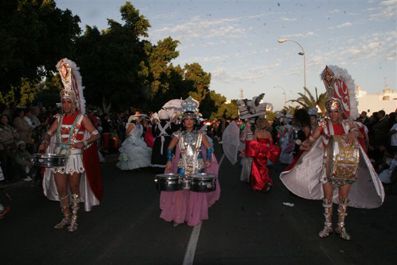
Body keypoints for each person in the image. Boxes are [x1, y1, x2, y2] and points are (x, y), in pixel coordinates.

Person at [280, 65, 384, 240]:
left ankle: (341, 227)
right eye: (331, 111)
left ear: (341, 110)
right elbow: (313, 138)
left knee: (343, 199)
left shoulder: (349, 123)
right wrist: (305, 143)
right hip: (328, 165)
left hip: (346, 166)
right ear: (327, 111)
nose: (334, 114)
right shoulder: (323, 125)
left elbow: (359, 131)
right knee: (327, 199)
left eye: (336, 110)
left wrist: (353, 133)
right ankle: (328, 226)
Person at [39, 58, 103, 232]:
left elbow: (96, 134)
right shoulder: (58, 118)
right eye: (64, 101)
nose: (66, 104)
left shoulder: (82, 118)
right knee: (61, 188)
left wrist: (83, 142)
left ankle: (74, 218)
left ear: (74, 103)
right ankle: (65, 216)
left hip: (74, 157)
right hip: (59, 155)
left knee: (74, 187)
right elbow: (49, 133)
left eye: (69, 101)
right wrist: (45, 141)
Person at [160, 96, 220, 227]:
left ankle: (193, 215)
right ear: (182, 121)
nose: (188, 122)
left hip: (198, 166)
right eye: (186, 119)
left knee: (195, 192)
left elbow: (209, 148)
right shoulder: (178, 134)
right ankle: (179, 216)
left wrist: (209, 160)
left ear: (195, 120)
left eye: (191, 119)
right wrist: (169, 161)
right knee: (181, 192)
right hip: (182, 166)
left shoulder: (200, 134)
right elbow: (169, 149)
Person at [245, 117, 280, 191]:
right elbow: (271, 143)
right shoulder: (268, 133)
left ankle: (259, 184)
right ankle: (265, 181)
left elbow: (253, 144)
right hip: (265, 153)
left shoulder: (257, 133)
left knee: (256, 169)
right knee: (264, 168)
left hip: (258, 153)